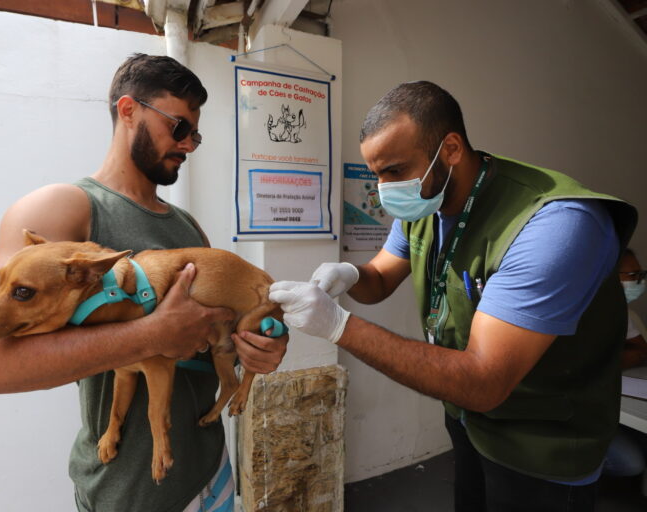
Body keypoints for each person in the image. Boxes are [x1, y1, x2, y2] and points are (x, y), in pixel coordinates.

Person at [269, 81, 637, 511]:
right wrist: (350, 274)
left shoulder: (556, 225)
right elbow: (381, 278)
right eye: (377, 173)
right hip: (468, 421)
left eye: (395, 170)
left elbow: (484, 381)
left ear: (451, 149)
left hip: (542, 446)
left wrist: (337, 326)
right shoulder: (427, 203)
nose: (385, 189)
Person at [0, 53, 288, 512]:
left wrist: (259, 344)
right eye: (179, 127)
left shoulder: (187, 227)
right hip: (129, 495)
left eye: (196, 134)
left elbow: (213, 338)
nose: (189, 145)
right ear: (129, 110)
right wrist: (151, 333)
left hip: (212, 470)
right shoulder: (59, 208)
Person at [603, 248, 647, 479]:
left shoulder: (622, 311)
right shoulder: (580, 312)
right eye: (634, 276)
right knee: (631, 463)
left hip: (616, 400)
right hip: (582, 412)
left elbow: (640, 349)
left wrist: (606, 362)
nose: (640, 282)